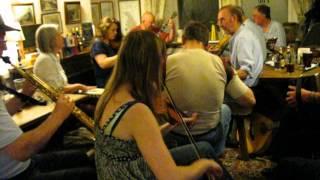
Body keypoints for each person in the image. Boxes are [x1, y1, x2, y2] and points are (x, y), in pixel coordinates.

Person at [94, 30, 225, 180]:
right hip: (137, 174)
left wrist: (172, 124)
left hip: (117, 172)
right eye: (162, 59)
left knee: (203, 149)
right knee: (204, 154)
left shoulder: (107, 96)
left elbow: (131, 140)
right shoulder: (136, 111)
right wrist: (203, 165)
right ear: (151, 64)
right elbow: (171, 176)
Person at [0, 16, 96, 179]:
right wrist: (58, 116)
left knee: (85, 157)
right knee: (89, 173)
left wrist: (23, 95)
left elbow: (4, 111)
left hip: (23, 164)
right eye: (0, 38)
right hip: (16, 173)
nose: (3, 46)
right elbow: (21, 150)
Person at [164, 21, 256, 157]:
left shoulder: (165, 62)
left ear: (183, 40)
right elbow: (250, 101)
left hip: (174, 135)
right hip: (208, 136)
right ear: (207, 45)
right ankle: (215, 153)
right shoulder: (221, 64)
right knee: (225, 109)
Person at [33, 24, 95, 93]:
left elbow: (63, 85)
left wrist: (86, 88)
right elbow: (56, 89)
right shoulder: (45, 59)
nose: (62, 37)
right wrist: (79, 86)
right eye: (59, 35)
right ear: (51, 40)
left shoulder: (53, 57)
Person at [218, 5, 264, 87]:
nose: (219, 24)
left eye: (222, 20)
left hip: (248, 88)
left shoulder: (242, 38)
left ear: (233, 18)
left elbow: (244, 72)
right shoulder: (238, 35)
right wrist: (226, 60)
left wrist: (220, 77)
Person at [91, 17, 120, 88]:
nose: (115, 32)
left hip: (113, 81)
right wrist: (121, 55)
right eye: (113, 30)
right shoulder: (98, 43)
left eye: (116, 30)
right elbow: (103, 63)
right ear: (105, 30)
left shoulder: (109, 43)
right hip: (105, 84)